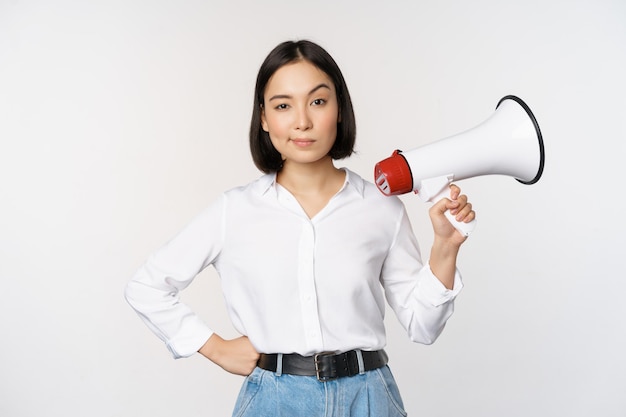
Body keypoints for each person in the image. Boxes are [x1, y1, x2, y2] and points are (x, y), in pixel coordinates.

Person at [125, 39, 475, 417]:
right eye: (283, 105)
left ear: (339, 108)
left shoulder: (381, 207)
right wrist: (214, 347)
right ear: (263, 118)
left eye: (318, 101)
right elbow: (147, 287)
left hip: (370, 398)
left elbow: (424, 328)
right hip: (273, 400)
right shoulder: (235, 210)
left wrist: (445, 245)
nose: (302, 121)